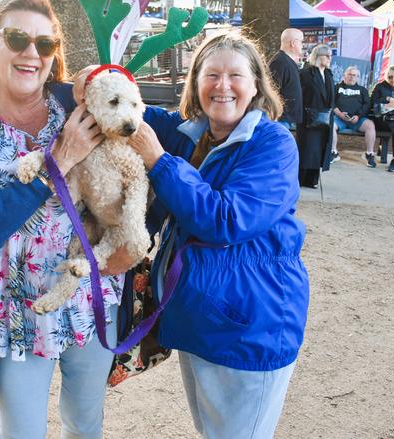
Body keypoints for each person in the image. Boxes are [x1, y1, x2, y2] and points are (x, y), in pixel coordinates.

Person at [0, 0, 128, 439]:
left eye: (45, 44)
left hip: (92, 297)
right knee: (20, 433)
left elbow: (139, 142)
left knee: (85, 425)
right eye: (18, 38)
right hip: (17, 317)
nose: (31, 54)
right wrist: (55, 166)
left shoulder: (76, 102)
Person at [128, 30, 309, 439]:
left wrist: (158, 160)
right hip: (200, 320)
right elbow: (137, 112)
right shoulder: (193, 133)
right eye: (211, 74)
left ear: (257, 85)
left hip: (249, 326)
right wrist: (96, 81)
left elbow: (227, 220)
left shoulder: (273, 145)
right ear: (194, 83)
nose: (222, 86)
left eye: (235, 76)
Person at [297, 44, 335, 188]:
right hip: (309, 117)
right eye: (327, 55)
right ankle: (300, 179)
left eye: (330, 56)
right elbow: (300, 95)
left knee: (320, 148)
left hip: (325, 118)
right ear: (319, 56)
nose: (329, 59)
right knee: (307, 148)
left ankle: (312, 179)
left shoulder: (328, 74)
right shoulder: (306, 73)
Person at [331, 66, 377, 168]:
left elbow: (367, 105)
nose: (352, 77)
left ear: (358, 78)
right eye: (350, 74)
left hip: (357, 119)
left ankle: (369, 154)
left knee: (370, 125)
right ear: (344, 76)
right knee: (331, 125)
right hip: (339, 118)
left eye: (354, 75)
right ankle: (333, 152)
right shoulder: (336, 88)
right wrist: (339, 114)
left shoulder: (362, 90)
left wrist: (358, 116)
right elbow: (331, 103)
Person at [269, 28, 304, 129]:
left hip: (286, 119)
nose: (303, 45)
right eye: (301, 41)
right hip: (280, 119)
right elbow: (271, 91)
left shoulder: (287, 61)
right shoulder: (279, 62)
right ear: (293, 43)